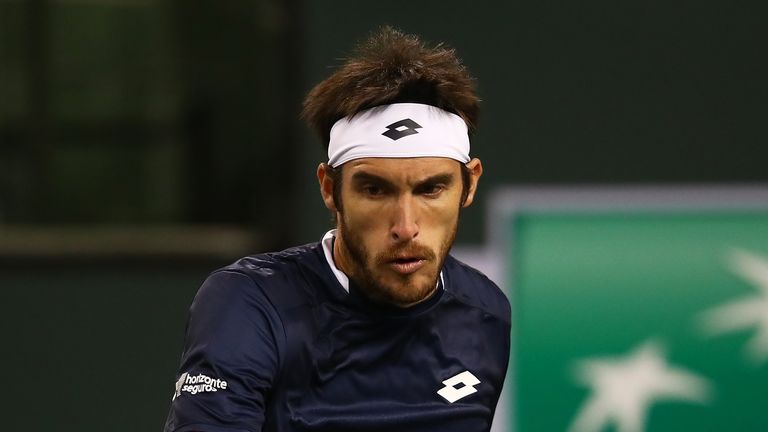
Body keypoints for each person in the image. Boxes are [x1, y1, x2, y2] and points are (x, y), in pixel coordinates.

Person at [164, 26, 511, 432]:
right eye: (375, 189)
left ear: (469, 184)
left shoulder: (485, 313)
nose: (405, 226)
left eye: (431, 189)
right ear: (331, 189)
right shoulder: (250, 303)